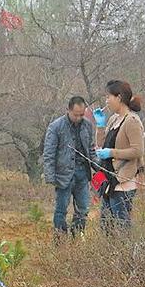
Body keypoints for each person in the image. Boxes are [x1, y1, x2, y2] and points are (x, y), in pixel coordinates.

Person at [92, 80, 145, 232]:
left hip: (123, 182)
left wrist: (112, 153)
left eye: (108, 97)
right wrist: (100, 126)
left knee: (122, 227)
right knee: (106, 227)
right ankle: (110, 255)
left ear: (119, 97)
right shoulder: (113, 119)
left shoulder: (132, 121)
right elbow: (102, 144)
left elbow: (138, 151)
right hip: (109, 181)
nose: (106, 101)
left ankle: (124, 255)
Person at [42, 96, 95, 236]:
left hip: (83, 173)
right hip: (63, 175)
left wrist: (99, 167)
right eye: (76, 114)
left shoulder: (87, 125)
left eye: (81, 114)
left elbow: (91, 149)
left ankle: (76, 238)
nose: (78, 118)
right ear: (68, 110)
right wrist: (50, 176)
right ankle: (60, 240)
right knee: (61, 209)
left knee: (83, 209)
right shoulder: (56, 126)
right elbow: (48, 153)